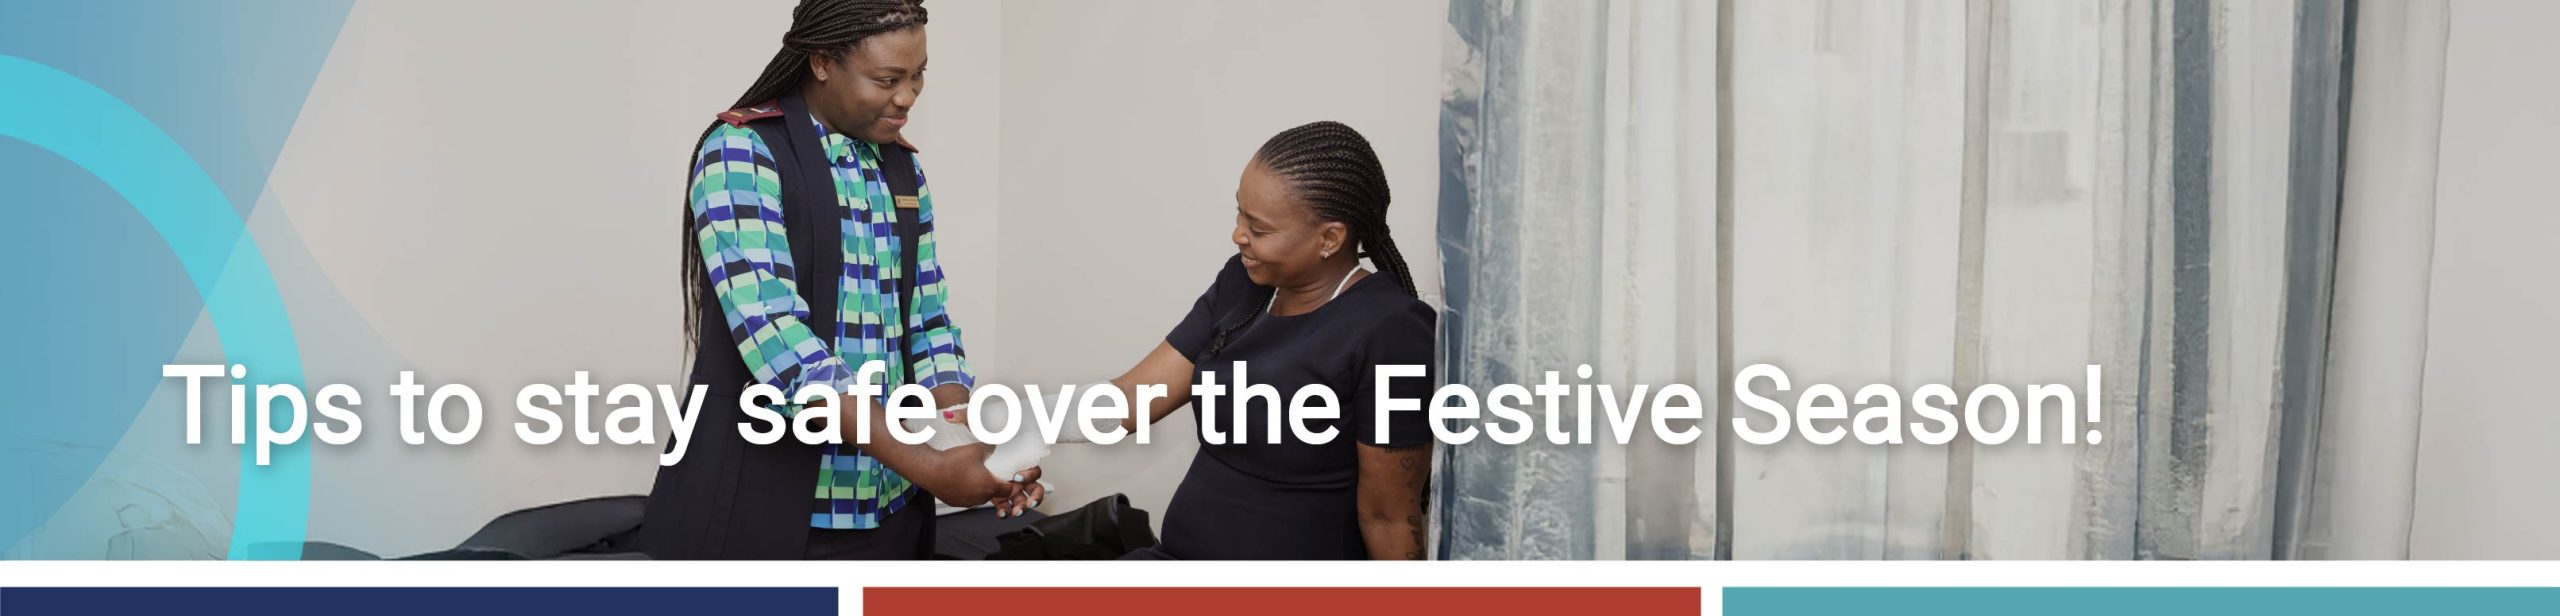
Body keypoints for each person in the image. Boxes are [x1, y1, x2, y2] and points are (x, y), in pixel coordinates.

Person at [640, 0, 1039, 561]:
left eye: (919, 74)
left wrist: (969, 444)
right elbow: (781, 343)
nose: (907, 96)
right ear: (823, 62)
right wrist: (929, 465)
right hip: (768, 508)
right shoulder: (741, 152)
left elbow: (926, 321)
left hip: (892, 506)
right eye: (887, 79)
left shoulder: (902, 167)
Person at [1103, 121, 1438, 559]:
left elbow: (1389, 517)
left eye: (1258, 229)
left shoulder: (1393, 331)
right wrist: (1009, 430)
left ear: (1329, 239)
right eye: (1239, 213)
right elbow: (1128, 401)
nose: (1239, 234)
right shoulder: (1242, 285)